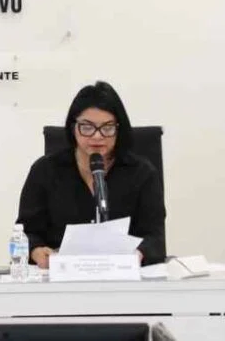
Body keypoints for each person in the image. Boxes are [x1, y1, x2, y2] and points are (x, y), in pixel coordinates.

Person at [16, 81, 166, 268]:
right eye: (87, 127)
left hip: (124, 276)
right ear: (73, 127)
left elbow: (156, 238)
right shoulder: (45, 170)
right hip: (60, 276)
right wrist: (36, 251)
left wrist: (138, 255)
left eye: (107, 127)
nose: (97, 136)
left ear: (119, 129)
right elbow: (26, 232)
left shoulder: (142, 173)